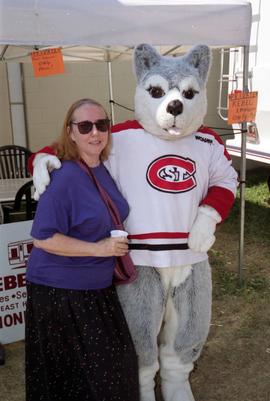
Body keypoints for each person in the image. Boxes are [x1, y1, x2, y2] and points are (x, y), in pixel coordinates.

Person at [25, 98, 139, 401]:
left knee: (112, 371)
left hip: (96, 287)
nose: (95, 132)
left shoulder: (100, 167)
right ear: (70, 132)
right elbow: (42, 238)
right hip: (60, 293)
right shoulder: (65, 176)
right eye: (85, 125)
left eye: (101, 124)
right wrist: (99, 248)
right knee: (84, 379)